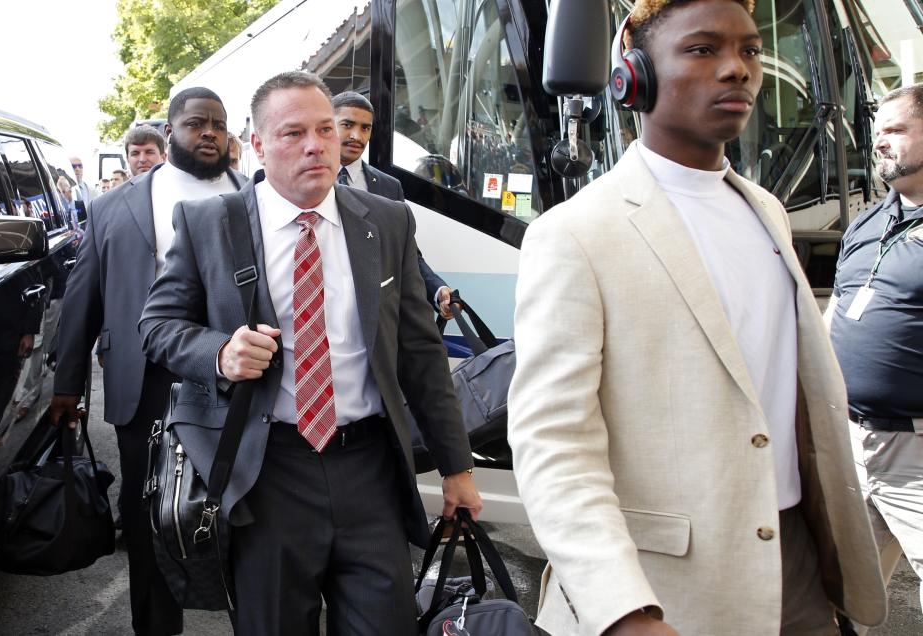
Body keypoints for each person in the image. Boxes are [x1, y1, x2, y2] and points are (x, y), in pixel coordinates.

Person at [507, 1, 886, 635]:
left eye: (750, 51)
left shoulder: (763, 207)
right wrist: (622, 609)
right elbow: (553, 442)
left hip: (795, 564)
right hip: (665, 589)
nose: (737, 69)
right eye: (703, 49)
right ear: (635, 75)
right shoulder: (574, 233)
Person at [139, 71, 481, 636]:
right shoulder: (210, 223)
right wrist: (219, 352)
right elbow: (157, 325)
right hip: (269, 471)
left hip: (369, 467)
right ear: (256, 144)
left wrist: (457, 467)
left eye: (324, 129)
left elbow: (420, 353)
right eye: (293, 132)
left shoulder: (386, 220)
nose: (316, 145)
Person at [50, 86, 245, 636]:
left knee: (241, 513)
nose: (208, 132)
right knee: (148, 516)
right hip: (145, 382)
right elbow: (84, 295)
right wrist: (69, 384)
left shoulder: (254, 194)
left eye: (218, 123)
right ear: (169, 132)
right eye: (194, 123)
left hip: (237, 382)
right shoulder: (116, 205)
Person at [827, 84, 923, 614]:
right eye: (876, 130)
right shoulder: (866, 221)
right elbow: (837, 312)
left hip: (915, 452)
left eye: (895, 130)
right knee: (830, 597)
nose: (878, 142)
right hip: (850, 442)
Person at [331, 91, 455, 319]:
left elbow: (408, 254)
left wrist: (438, 291)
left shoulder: (389, 188)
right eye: (347, 125)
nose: (357, 136)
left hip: (379, 317)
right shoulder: (309, 182)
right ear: (328, 125)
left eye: (365, 128)